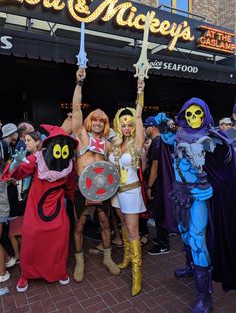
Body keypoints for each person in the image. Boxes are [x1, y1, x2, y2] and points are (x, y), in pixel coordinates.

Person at [155, 98, 236, 312]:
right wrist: (163, 123)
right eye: (188, 114)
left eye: (197, 114)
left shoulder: (212, 138)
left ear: (205, 115)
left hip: (198, 196)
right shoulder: (179, 135)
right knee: (184, 233)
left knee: (197, 238)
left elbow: (227, 169)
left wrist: (211, 187)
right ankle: (191, 266)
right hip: (179, 194)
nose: (192, 118)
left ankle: (204, 297)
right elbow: (166, 137)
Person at [2, 124, 77, 292]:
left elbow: (71, 188)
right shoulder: (37, 159)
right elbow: (15, 173)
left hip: (57, 210)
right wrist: (15, 163)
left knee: (60, 237)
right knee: (31, 239)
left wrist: (77, 206)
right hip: (35, 211)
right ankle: (26, 274)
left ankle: (59, 271)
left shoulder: (69, 166)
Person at [72, 68, 120, 283]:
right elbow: (75, 109)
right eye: (96, 119)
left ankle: (108, 258)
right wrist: (79, 84)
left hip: (102, 189)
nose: (99, 123)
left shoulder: (108, 144)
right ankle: (80, 261)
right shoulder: (81, 136)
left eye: (102, 120)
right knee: (79, 226)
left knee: (106, 224)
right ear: (91, 120)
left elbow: (117, 165)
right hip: (82, 190)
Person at [109, 78, 146, 296]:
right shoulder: (115, 143)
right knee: (122, 224)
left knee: (133, 230)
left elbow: (139, 115)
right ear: (117, 124)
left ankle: (137, 274)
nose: (126, 126)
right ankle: (125, 258)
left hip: (131, 191)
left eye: (129, 123)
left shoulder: (137, 142)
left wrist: (140, 92)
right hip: (117, 193)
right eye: (123, 123)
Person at [8, 131, 42, 264]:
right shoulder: (26, 155)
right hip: (27, 199)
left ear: (37, 142)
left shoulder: (43, 156)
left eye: (28, 140)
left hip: (40, 198)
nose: (26, 143)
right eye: (25, 140)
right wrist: (16, 163)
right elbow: (11, 173)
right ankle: (31, 258)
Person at [143, 116, 170, 255]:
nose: (144, 129)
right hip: (163, 182)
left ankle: (164, 244)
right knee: (160, 211)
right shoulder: (161, 140)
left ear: (152, 127)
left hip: (158, 184)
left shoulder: (157, 142)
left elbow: (155, 166)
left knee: (159, 212)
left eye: (146, 126)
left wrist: (149, 186)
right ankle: (161, 238)